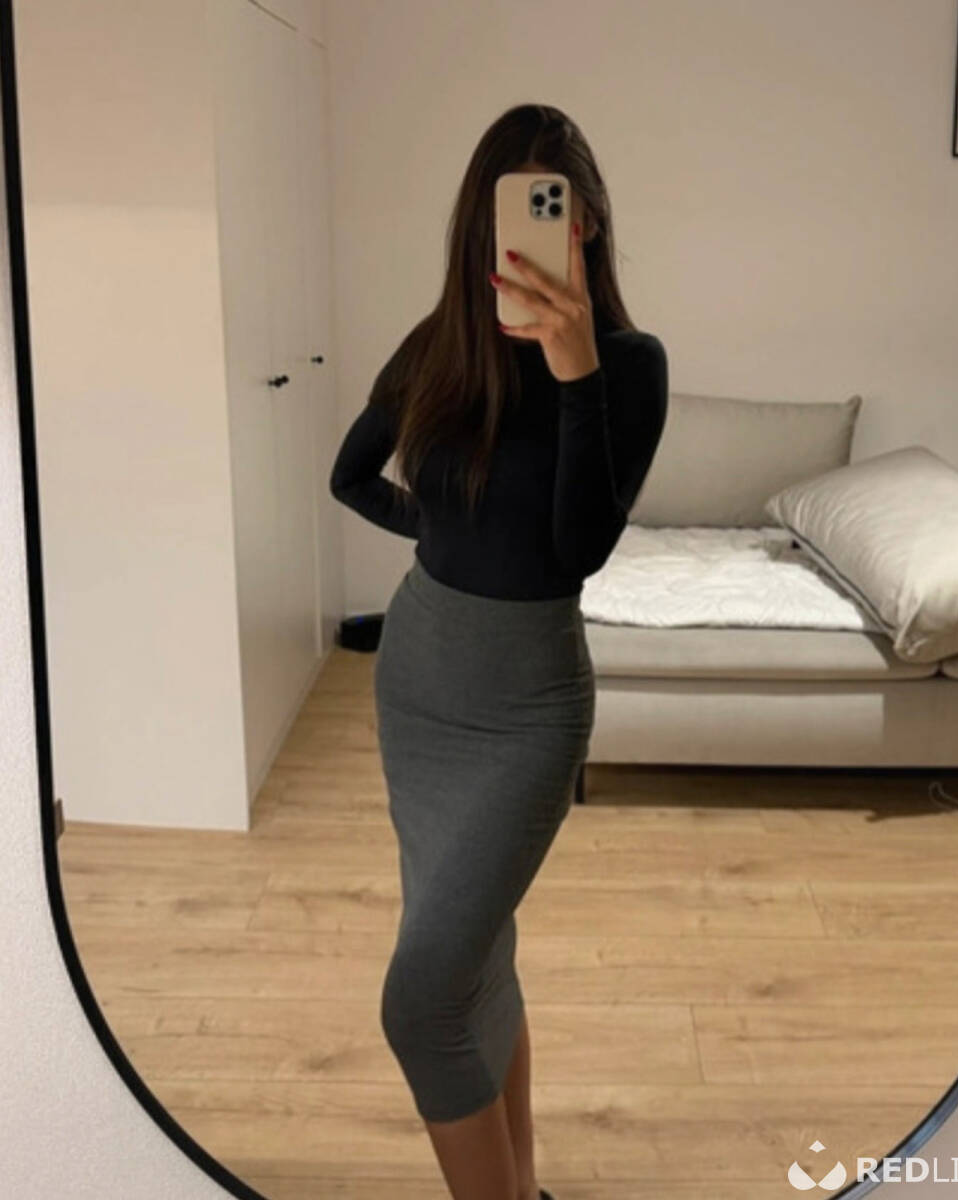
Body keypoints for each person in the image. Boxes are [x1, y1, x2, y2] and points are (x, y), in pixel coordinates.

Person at [329, 103, 668, 1200]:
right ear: (478, 227)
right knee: (475, 957)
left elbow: (579, 551)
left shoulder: (628, 366)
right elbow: (348, 476)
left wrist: (575, 375)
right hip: (419, 684)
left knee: (421, 997)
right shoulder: (435, 349)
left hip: (527, 711)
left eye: (550, 211)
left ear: (587, 225)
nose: (526, 235)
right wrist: (436, 531)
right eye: (507, 213)